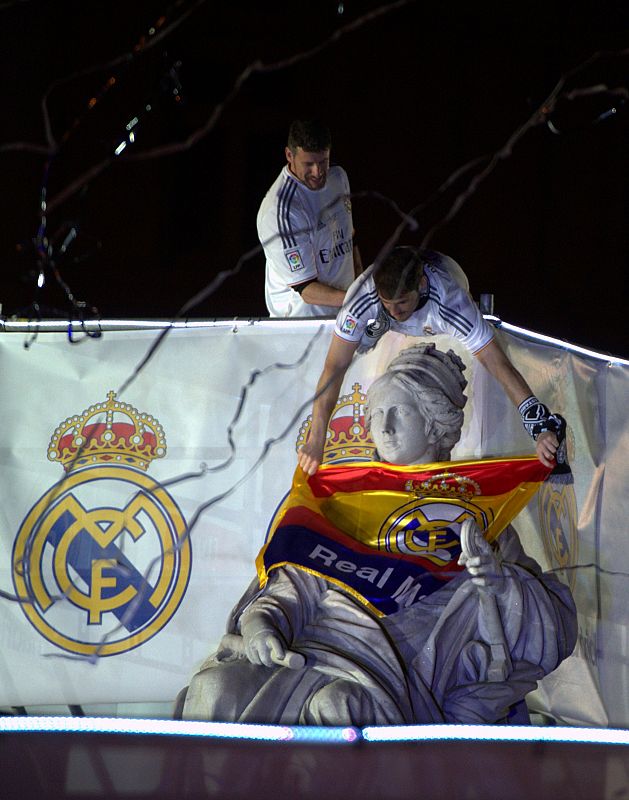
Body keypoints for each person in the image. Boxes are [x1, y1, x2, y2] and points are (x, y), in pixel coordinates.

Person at [180, 344, 576, 726]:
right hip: (307, 645)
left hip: (387, 669)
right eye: (377, 414)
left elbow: (554, 630)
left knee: (338, 708)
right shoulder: (346, 499)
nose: (383, 428)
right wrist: (263, 623)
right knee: (214, 689)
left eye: (399, 412)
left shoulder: (478, 515)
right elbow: (298, 583)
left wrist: (499, 583)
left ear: (434, 422)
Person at [298, 245, 565, 475]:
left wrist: (538, 426)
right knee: (360, 342)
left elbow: (498, 364)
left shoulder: (451, 302)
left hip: (446, 283)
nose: (396, 311)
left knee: (476, 348)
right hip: (379, 311)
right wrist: (317, 438)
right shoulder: (362, 299)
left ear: (421, 285)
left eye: (401, 303)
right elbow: (334, 367)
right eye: (388, 304)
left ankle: (381, 326)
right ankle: (375, 330)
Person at [257, 119, 362, 318]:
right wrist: (362, 300)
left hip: (346, 310)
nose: (318, 172)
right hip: (304, 322)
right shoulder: (281, 212)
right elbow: (306, 289)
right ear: (289, 155)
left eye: (323, 162)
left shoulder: (338, 177)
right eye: (308, 164)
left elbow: (349, 237)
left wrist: (360, 285)